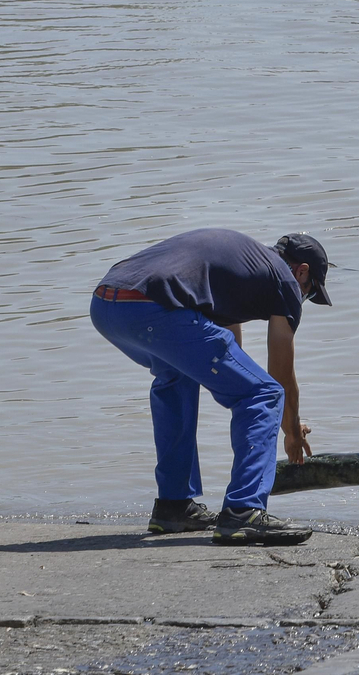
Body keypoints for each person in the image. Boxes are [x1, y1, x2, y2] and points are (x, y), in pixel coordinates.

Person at [90, 228, 332, 545]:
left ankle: (174, 507)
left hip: (108, 302)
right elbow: (279, 377)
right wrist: (291, 432)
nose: (304, 298)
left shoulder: (241, 267)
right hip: (153, 306)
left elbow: (230, 351)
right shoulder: (284, 282)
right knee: (265, 394)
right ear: (302, 272)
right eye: (310, 292)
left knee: (177, 378)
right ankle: (244, 512)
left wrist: (244, 392)